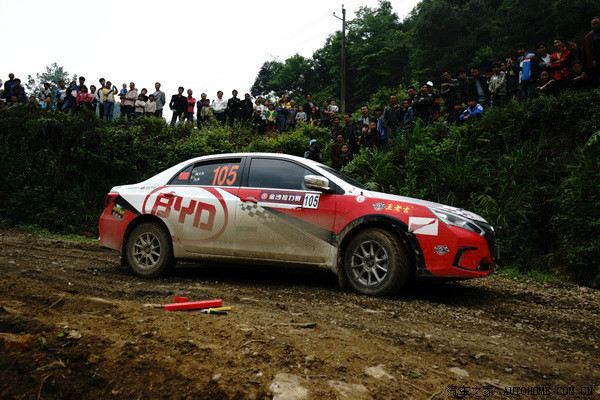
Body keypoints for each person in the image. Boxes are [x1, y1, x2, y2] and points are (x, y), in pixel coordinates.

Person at [582, 16, 600, 85]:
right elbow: (586, 51)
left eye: (597, 23)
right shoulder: (588, 36)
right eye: (593, 24)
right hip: (595, 59)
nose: (595, 25)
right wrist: (592, 60)